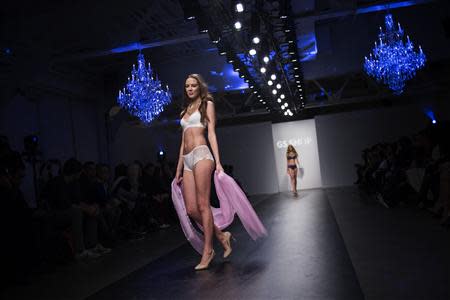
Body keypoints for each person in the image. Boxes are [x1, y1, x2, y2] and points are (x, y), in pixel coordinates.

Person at [174, 74, 232, 270]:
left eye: (193, 85)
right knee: (191, 209)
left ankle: (208, 251)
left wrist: (218, 162)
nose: (190, 88)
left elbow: (212, 132)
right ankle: (221, 235)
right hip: (188, 159)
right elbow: (182, 142)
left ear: (199, 87)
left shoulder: (206, 103)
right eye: (187, 86)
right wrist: (178, 170)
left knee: (203, 204)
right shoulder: (184, 111)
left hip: (202, 155)